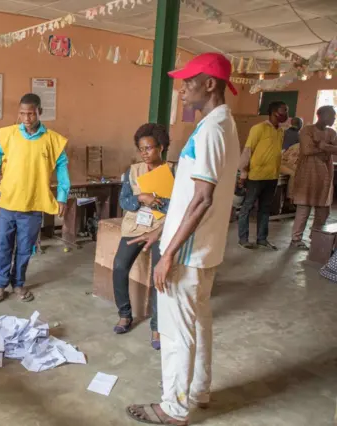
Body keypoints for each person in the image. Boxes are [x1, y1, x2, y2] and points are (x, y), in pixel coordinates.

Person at [125, 52, 240, 425]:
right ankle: (198, 391)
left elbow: (203, 199)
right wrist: (161, 229)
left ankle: (172, 409)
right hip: (201, 250)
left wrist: (168, 252)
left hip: (188, 254)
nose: (183, 88)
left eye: (190, 81)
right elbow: (192, 197)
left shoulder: (212, 130)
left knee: (176, 332)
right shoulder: (220, 125)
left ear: (210, 84)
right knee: (199, 323)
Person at [0, 93, 70, 304]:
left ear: (39, 112)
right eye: (22, 113)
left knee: (25, 248)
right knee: (3, 245)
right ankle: (0, 285)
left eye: (31, 114)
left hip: (34, 204)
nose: (26, 118)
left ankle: (19, 284)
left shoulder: (52, 140)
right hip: (8, 203)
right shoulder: (9, 135)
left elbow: (62, 170)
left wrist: (61, 197)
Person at [112, 123, 173, 351]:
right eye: (141, 149)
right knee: (119, 267)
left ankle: (157, 327)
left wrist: (157, 201)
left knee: (159, 278)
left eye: (149, 148)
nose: (145, 153)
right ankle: (125, 315)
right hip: (135, 226)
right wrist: (141, 199)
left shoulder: (172, 172)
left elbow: (176, 207)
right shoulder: (133, 171)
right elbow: (124, 201)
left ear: (161, 147)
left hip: (161, 228)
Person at [237, 100, 289, 250]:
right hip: (255, 176)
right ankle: (243, 239)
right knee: (247, 207)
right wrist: (243, 174)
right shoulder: (258, 128)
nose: (286, 114)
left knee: (265, 209)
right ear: (273, 112)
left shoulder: (281, 131)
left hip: (272, 177)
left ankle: (262, 239)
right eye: (283, 110)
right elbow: (248, 151)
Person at [290, 105, 337, 249]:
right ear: (320, 115)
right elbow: (307, 149)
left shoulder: (331, 132)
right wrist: (326, 147)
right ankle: (296, 239)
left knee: (323, 211)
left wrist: (322, 146)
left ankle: (315, 237)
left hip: (325, 177)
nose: (334, 118)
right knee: (304, 209)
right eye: (332, 115)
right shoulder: (307, 130)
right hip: (308, 175)